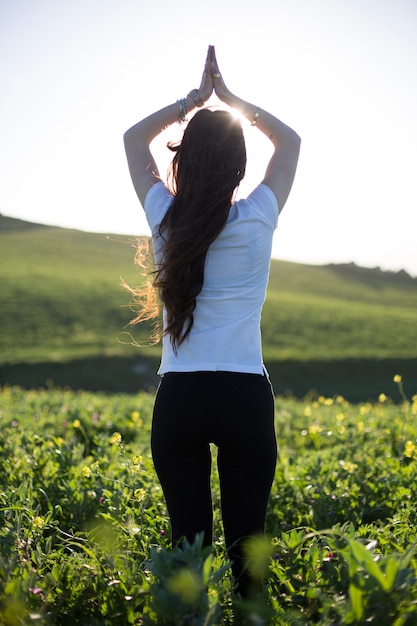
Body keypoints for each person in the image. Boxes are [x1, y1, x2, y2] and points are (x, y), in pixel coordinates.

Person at [123, 45, 300, 597]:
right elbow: (290, 142)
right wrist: (232, 101)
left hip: (181, 400)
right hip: (246, 396)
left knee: (189, 554)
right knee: (250, 553)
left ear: (183, 160)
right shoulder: (258, 217)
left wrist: (192, 101)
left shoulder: (165, 218)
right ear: (241, 167)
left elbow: (133, 140)